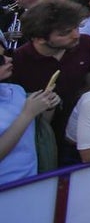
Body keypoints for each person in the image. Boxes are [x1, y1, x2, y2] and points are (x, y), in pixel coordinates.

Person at [9, 0, 90, 163]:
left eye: (76, 27)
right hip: (42, 141)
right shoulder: (17, 62)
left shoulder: (86, 43)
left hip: (80, 132)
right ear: (39, 38)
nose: (76, 35)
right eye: (64, 33)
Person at [0, 49, 60, 183]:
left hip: (33, 180)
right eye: (0, 60)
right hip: (6, 187)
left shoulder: (16, 90)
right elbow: (27, 116)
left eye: (6, 55)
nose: (9, 59)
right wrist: (27, 114)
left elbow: (39, 129)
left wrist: (48, 106)